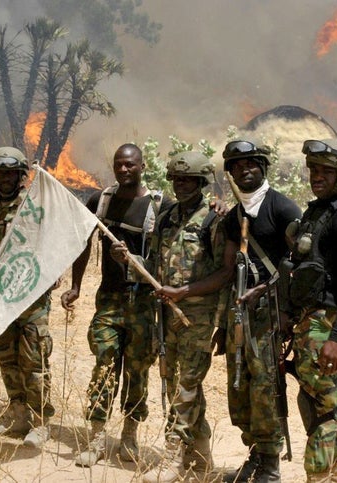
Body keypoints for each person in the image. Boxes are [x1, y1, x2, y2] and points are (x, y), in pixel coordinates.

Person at [111, 152, 233, 482]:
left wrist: (188, 295)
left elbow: (225, 273)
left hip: (198, 317)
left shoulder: (214, 219)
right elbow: (153, 268)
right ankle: (201, 458)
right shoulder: (166, 218)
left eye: (188, 180)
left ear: (201, 182)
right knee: (173, 385)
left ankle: (173, 455)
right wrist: (128, 259)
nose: (181, 185)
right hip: (166, 318)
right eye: (177, 180)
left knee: (188, 386)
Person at [61, 143, 171, 467]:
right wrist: (76, 285)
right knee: (105, 363)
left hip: (143, 303)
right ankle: (95, 437)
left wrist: (135, 262)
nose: (124, 170)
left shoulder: (158, 206)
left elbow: (166, 258)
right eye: (119, 165)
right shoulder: (100, 201)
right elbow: (84, 244)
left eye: (130, 165)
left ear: (142, 166)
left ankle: (129, 436)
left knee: (137, 371)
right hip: (109, 299)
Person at [278, 138, 337, 482]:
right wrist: (289, 319)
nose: (316, 176)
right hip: (308, 323)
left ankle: (319, 478)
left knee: (321, 410)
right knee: (323, 404)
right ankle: (336, 476)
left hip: (327, 325)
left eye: (325, 171)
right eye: (313, 170)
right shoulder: (317, 211)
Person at [216, 139, 302, 482]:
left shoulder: (283, 209)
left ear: (262, 166)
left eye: (250, 163)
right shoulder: (234, 216)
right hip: (239, 317)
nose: (244, 170)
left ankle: (271, 465)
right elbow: (227, 271)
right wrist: (223, 326)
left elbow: (301, 265)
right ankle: (254, 454)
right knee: (239, 390)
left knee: (266, 388)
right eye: (236, 166)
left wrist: (275, 302)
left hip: (270, 313)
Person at [0, 146, 59, 448]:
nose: (4, 178)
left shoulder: (32, 206)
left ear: (20, 175)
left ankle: (41, 422)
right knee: (7, 357)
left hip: (32, 298)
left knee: (34, 360)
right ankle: (18, 413)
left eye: (10, 173)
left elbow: (50, 244)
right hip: (3, 297)